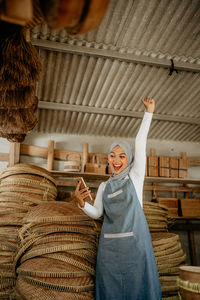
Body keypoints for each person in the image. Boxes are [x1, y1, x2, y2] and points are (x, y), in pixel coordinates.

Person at [75, 98, 162, 300]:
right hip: (110, 251)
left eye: (122, 156)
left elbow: (140, 142)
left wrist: (149, 112)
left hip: (135, 247)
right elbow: (97, 213)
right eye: (113, 155)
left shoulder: (135, 177)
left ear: (129, 159)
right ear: (108, 158)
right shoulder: (104, 186)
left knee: (139, 289)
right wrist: (82, 204)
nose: (116, 160)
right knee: (110, 290)